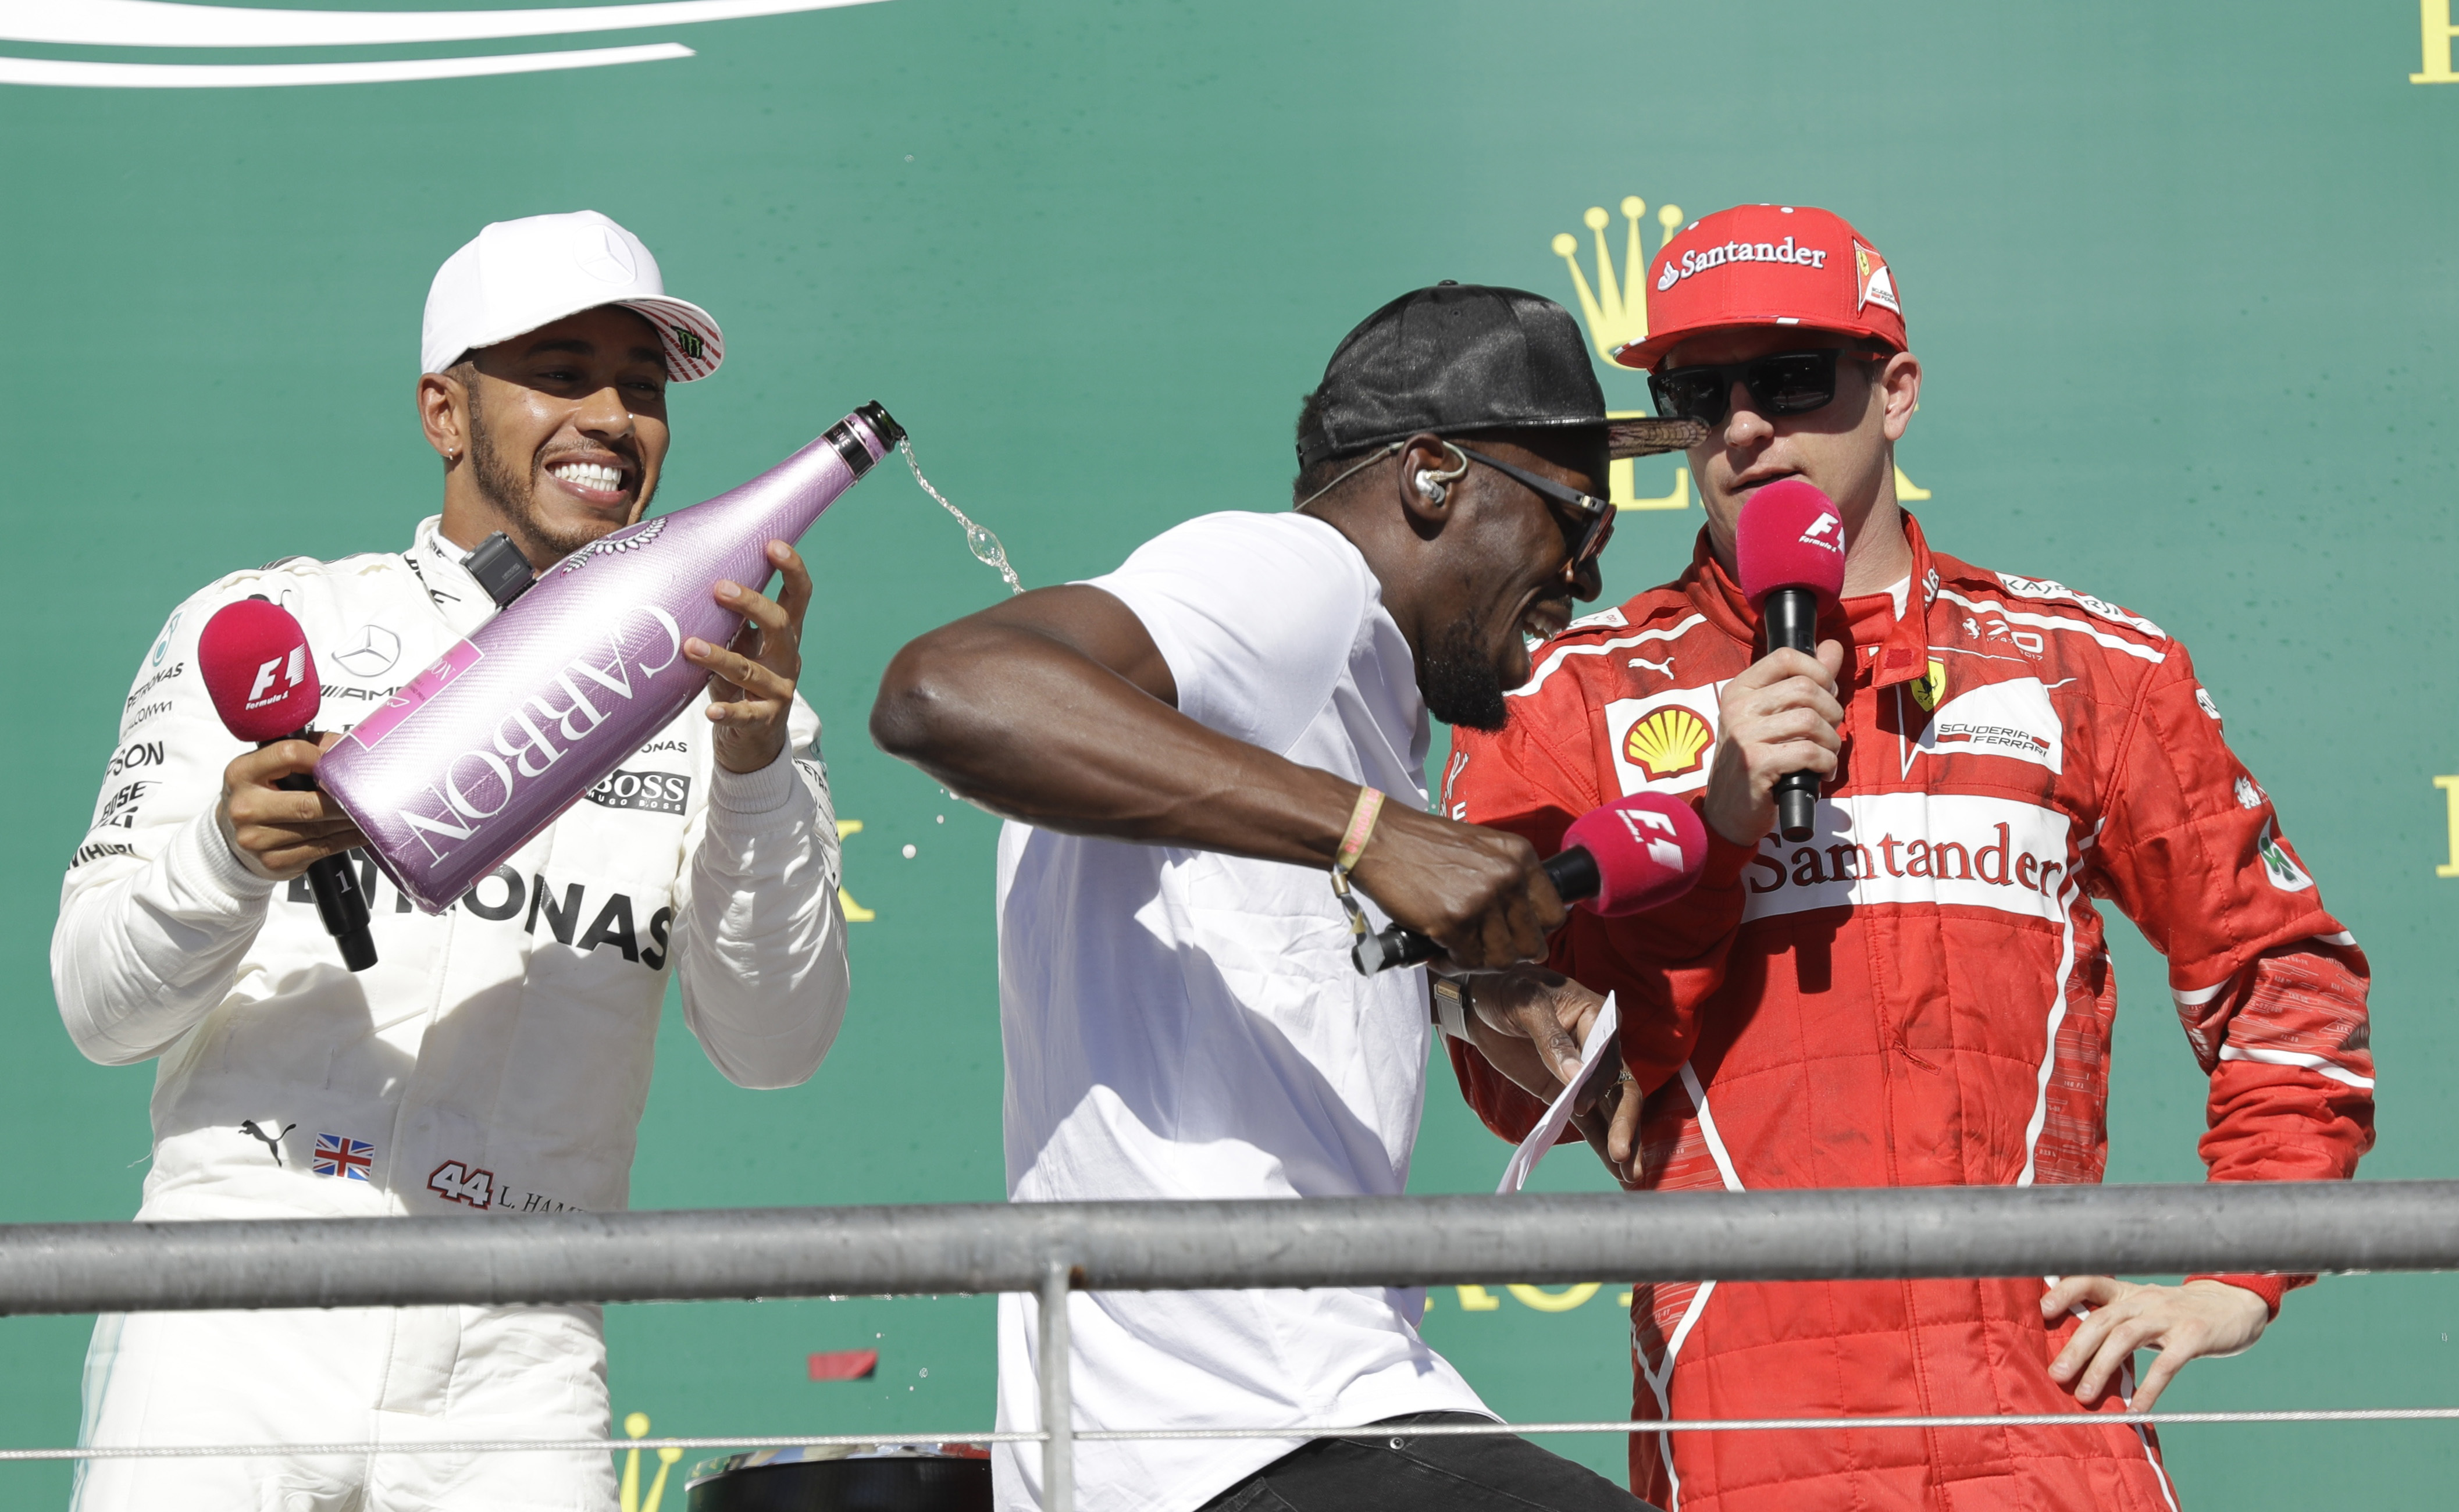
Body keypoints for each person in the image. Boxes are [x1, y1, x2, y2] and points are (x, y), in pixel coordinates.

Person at [1439, 204, 2375, 1512]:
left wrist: (2238, 1270)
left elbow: (2281, 969)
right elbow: (1517, 1064)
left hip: (2041, 1431)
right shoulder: (1573, 696)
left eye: (1785, 379)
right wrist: (1712, 836)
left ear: (1894, 392)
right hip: (1749, 1433)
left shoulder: (2081, 663)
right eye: (1697, 394)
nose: (1744, 427)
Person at [54, 209, 851, 1512]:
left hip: (518, 1348)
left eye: (641, 388)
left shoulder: (734, 696)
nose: (610, 415)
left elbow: (778, 1048)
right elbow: (97, 1010)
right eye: (558, 371)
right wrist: (226, 856)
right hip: (231, 1304)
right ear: (443, 409)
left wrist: (756, 760)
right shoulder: (273, 626)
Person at [871, 283, 1684, 1512]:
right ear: (1428, 478)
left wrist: (1462, 997)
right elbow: (945, 688)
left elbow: (1225, 931)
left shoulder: (1339, 700)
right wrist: (1368, 834)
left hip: (1234, 1444)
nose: (1589, 564)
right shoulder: (1296, 578)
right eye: (1574, 512)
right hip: (1258, 1432)